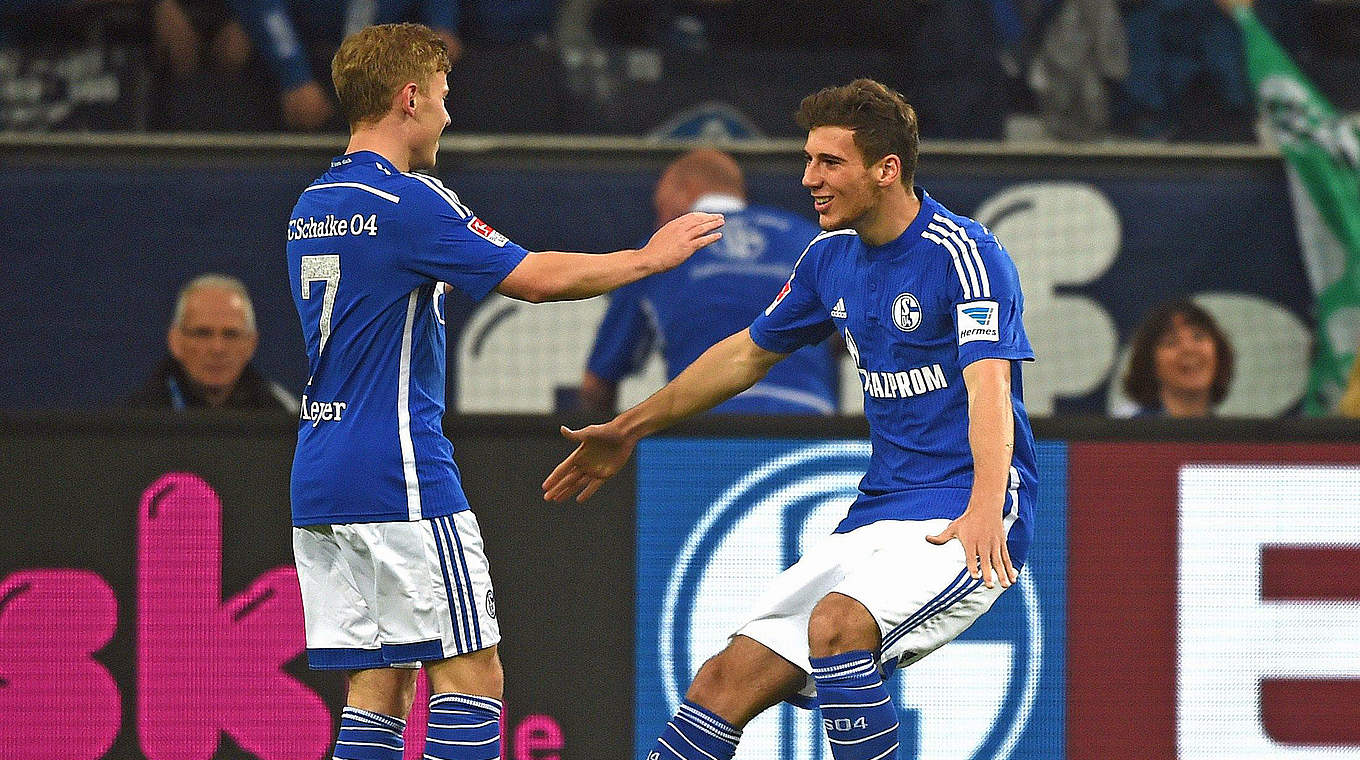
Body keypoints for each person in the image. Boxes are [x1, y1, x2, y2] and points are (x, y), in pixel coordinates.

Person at [544, 78, 1037, 760]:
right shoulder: (827, 258)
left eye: (829, 163)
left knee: (837, 625)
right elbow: (746, 355)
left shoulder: (966, 254)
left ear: (885, 169)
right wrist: (628, 427)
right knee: (721, 681)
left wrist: (986, 507)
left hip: (967, 508)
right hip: (880, 511)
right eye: (808, 160)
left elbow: (989, 386)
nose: (809, 179)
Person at [285, 23, 722, 760]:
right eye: (445, 97)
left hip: (321, 473)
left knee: (377, 691)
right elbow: (534, 278)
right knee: (472, 677)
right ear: (411, 96)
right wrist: (647, 259)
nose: (450, 117)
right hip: (400, 471)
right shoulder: (408, 202)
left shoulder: (312, 205)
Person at [581, 147, 836, 416]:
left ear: (684, 190)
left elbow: (596, 384)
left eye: (661, 206)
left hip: (703, 425)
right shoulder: (809, 238)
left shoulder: (654, 252)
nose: (660, 220)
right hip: (809, 421)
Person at [128, 274, 297, 412]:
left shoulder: (285, 416)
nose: (218, 348)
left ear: (251, 344)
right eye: (202, 333)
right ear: (175, 341)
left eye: (231, 334)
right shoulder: (133, 422)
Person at [1120, 299, 1234, 417]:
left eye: (1198, 337)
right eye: (1171, 342)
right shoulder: (1129, 431)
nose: (1188, 348)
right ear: (1149, 363)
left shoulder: (1234, 434)